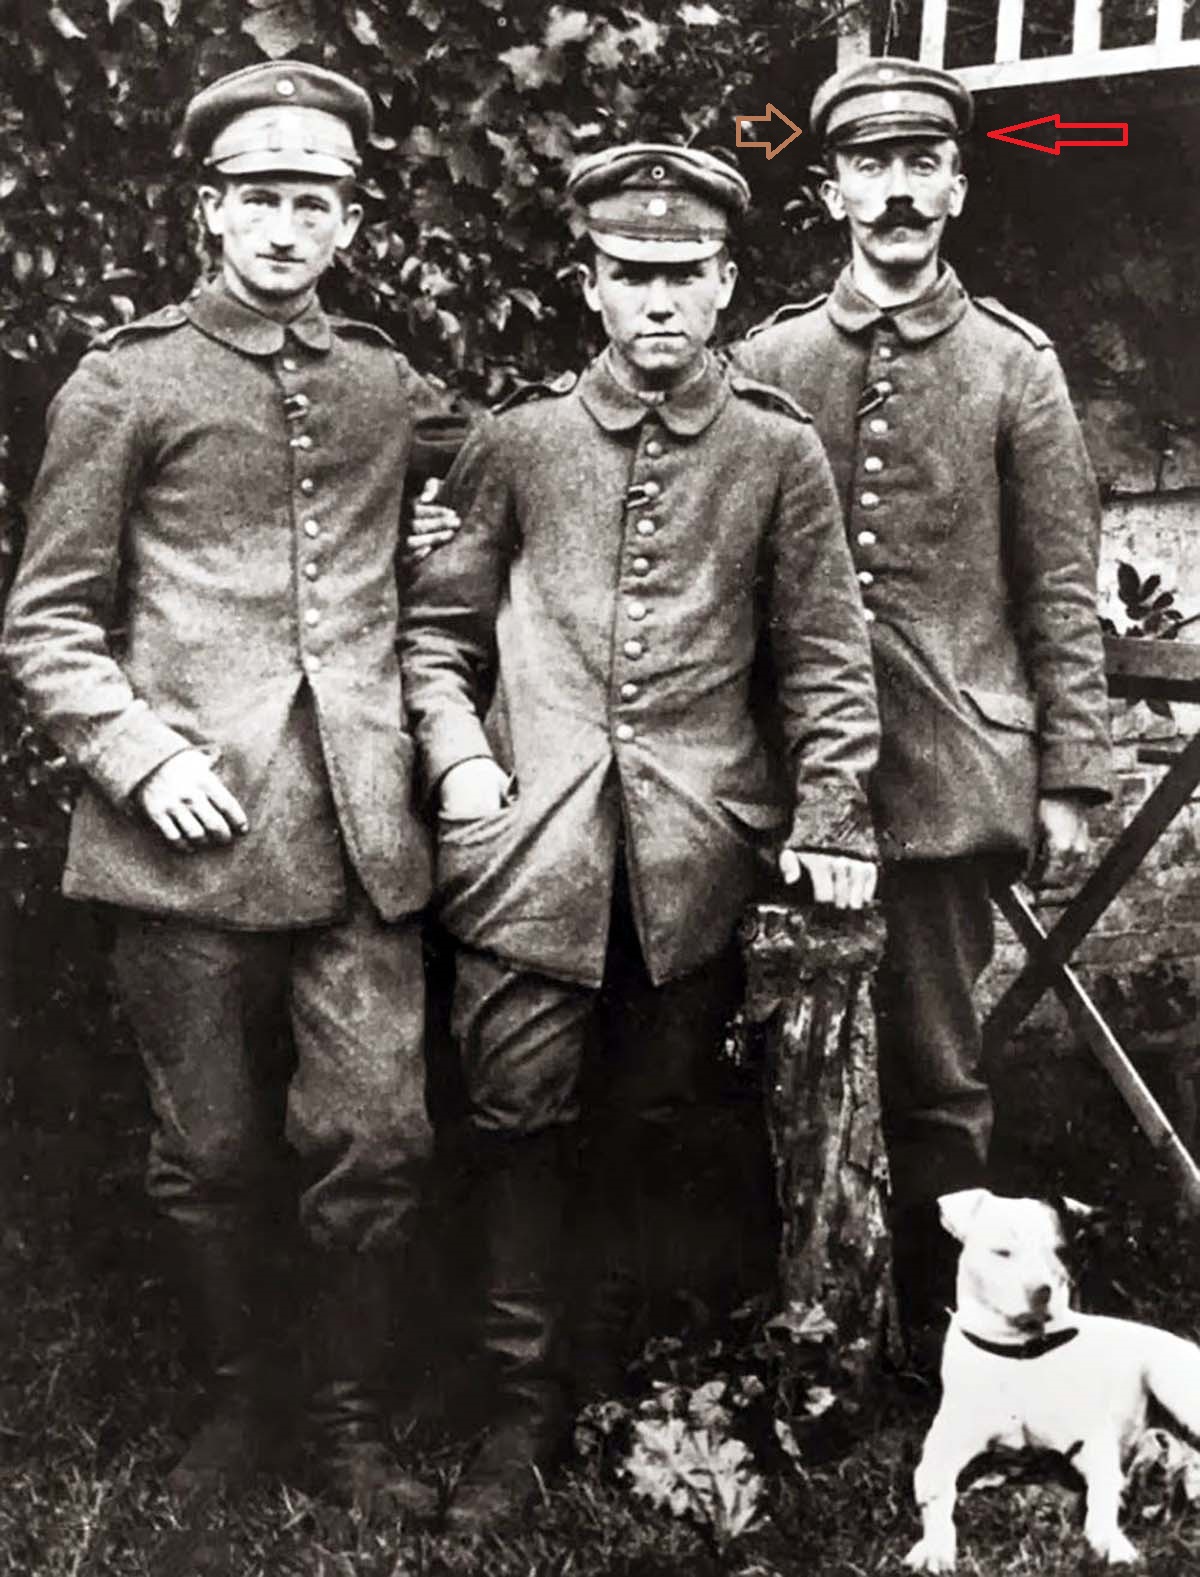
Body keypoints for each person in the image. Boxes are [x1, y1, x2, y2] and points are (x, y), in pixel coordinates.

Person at [400, 142, 881, 1531]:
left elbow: (826, 662)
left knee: (656, 1124)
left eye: (687, 277)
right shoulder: (519, 441)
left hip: (692, 858)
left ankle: (617, 1386)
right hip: (526, 859)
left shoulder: (776, 452)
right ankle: (516, 1413)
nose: (660, 302)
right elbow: (435, 639)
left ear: (727, 284)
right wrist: (459, 757)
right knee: (515, 1123)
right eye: (634, 276)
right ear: (590, 286)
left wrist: (835, 807)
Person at [2, 60, 456, 1516]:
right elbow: (48, 620)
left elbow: (441, 530)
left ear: (346, 222)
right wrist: (138, 755)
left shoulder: (383, 380)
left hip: (359, 830)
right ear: (211, 209)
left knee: (376, 1132)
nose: (284, 222)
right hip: (185, 836)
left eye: (313, 198)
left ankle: (348, 1427)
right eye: (258, 194)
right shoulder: (128, 379)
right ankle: (237, 1410)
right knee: (205, 1153)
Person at [733, 58, 1113, 1348]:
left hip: (951, 775)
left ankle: (954, 1346)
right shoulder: (769, 356)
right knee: (772, 1056)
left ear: (956, 183)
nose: (896, 194)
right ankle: (799, 1322)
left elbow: (1061, 586)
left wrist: (1069, 775)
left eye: (920, 167)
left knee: (938, 1074)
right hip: (780, 778)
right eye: (870, 168)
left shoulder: (1017, 366)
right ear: (834, 187)